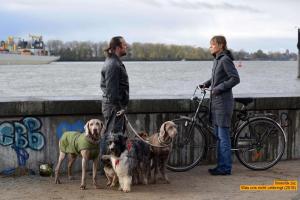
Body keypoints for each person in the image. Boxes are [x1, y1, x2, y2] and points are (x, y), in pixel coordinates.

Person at [200, 35, 240, 175]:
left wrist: (219, 88)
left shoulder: (225, 60)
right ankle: (220, 166)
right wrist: (207, 83)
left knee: (223, 137)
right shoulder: (217, 60)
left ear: (221, 45)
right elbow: (216, 78)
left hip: (223, 103)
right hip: (216, 103)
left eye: (212, 44)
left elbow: (235, 79)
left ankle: (225, 168)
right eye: (210, 45)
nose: (210, 47)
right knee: (218, 136)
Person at [100, 36, 129, 135]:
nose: (126, 46)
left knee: (114, 138)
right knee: (113, 139)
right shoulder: (113, 64)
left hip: (114, 108)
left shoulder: (113, 62)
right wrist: (119, 108)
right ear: (117, 48)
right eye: (124, 45)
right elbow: (112, 92)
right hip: (114, 109)